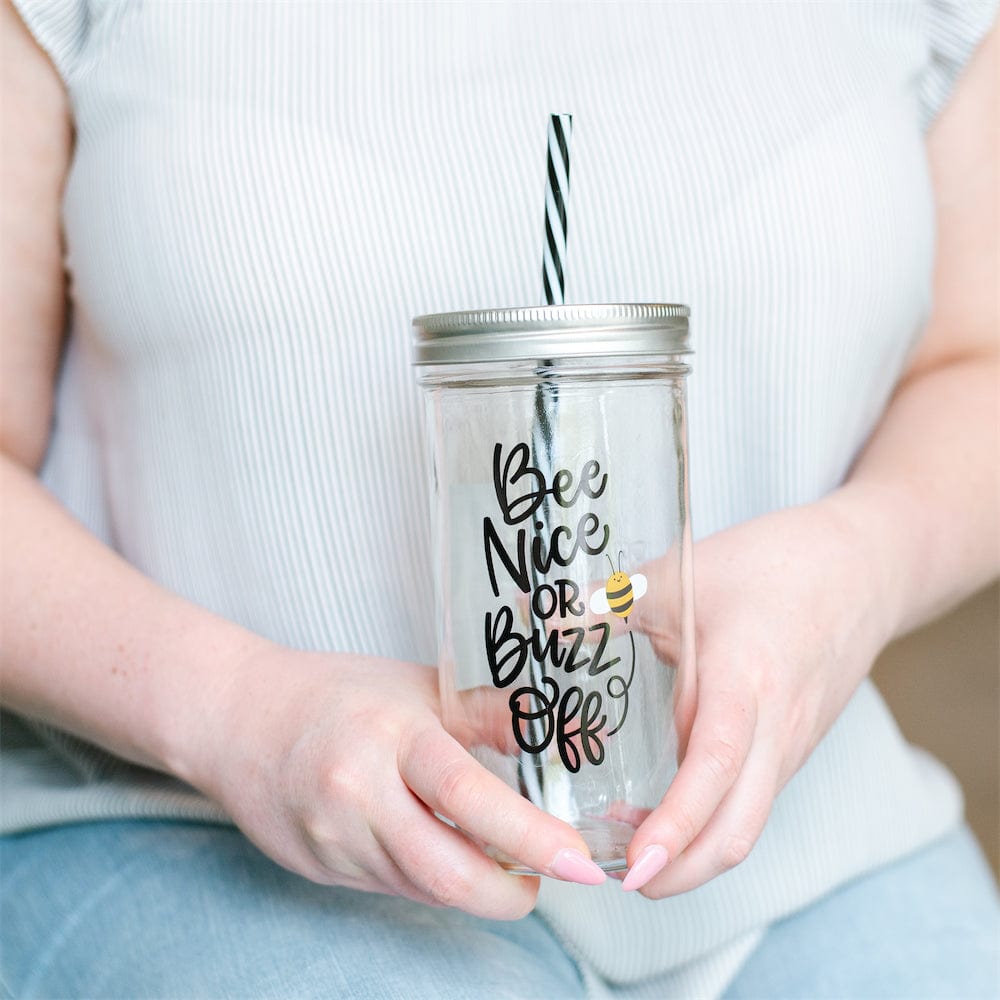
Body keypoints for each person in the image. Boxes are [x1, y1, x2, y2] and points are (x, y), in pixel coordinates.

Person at [1, 1, 997, 997]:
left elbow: (975, 361)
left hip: (805, 831)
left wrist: (857, 565)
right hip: (185, 830)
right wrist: (236, 707)